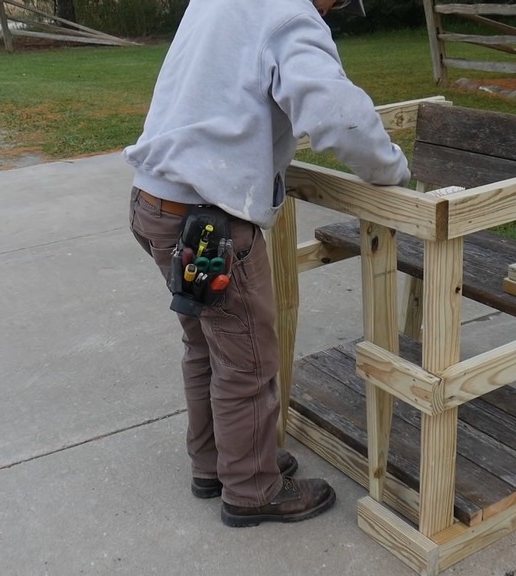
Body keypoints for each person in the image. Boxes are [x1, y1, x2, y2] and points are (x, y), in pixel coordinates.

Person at [124, 0, 410, 528]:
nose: (335, 9)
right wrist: (391, 170)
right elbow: (338, 120)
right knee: (248, 361)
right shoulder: (289, 16)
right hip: (207, 222)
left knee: (207, 345)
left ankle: (220, 463)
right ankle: (252, 488)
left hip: (156, 203)